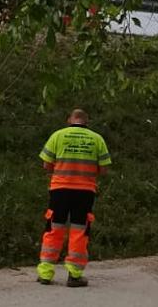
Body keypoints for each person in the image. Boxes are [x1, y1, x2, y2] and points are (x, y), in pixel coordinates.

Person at [36, 108, 111, 287]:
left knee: (54, 228)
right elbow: (104, 169)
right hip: (85, 192)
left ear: (70, 119)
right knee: (79, 230)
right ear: (87, 121)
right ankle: (74, 275)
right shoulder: (97, 139)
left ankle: (45, 274)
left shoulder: (58, 136)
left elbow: (46, 165)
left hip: (59, 189)